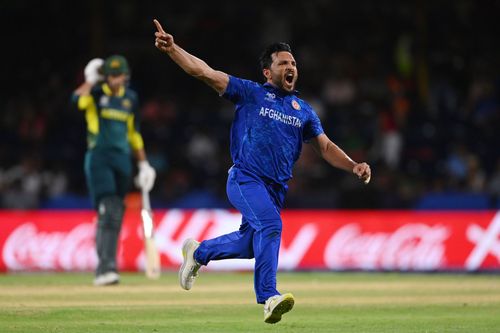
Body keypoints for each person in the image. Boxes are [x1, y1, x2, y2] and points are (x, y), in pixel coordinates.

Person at [153, 19, 371, 323]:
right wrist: (173, 49)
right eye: (283, 62)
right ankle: (269, 296)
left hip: (275, 190)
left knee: (250, 244)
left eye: (293, 62)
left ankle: (199, 253)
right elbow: (202, 71)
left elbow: (324, 146)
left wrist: (352, 165)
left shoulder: (303, 110)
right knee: (271, 226)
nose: (291, 66)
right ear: (268, 72)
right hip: (245, 178)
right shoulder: (250, 92)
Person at [72, 55, 156, 286]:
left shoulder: (130, 99)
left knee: (115, 211)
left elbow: (134, 134)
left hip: (122, 160)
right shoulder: (96, 95)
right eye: (112, 75)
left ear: (126, 76)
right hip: (99, 157)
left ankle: (105, 267)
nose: (116, 80)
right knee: (108, 208)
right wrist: (89, 80)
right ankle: (106, 268)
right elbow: (76, 99)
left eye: (120, 75)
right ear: (105, 76)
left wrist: (143, 163)